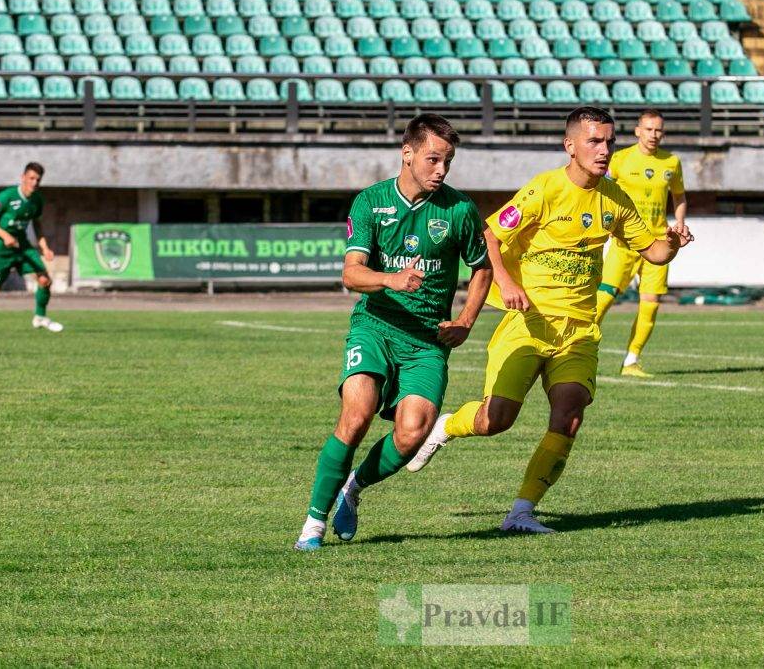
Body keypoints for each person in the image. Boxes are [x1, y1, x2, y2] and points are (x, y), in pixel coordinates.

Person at [406, 107, 693, 534]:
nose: (604, 150)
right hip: (528, 323)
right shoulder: (544, 189)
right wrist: (505, 283)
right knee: (496, 420)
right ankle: (448, 426)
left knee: (569, 414)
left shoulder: (614, 198)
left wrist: (670, 243)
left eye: (609, 141)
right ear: (570, 146)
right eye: (594, 141)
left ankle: (522, 512)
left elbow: (652, 252)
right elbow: (489, 234)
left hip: (579, 331)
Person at [294, 114, 493, 551]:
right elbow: (351, 274)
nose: (441, 170)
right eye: (433, 159)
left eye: (448, 162)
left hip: (427, 341)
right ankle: (312, 525)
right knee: (357, 414)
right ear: (407, 153)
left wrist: (464, 322)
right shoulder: (371, 202)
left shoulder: (459, 209)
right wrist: (389, 279)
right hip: (376, 326)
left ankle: (354, 487)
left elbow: (482, 270)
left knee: (412, 433)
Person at [595, 109, 688, 377]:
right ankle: (578, 350)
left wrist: (679, 222)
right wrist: (608, 222)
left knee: (651, 303)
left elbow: (679, 198)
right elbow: (599, 190)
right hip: (625, 243)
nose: (653, 135)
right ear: (638, 131)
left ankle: (631, 361)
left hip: (658, 245)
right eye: (648, 129)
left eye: (658, 130)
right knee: (602, 300)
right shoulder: (620, 159)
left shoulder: (671, 162)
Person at [0, 162, 63, 335]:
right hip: (2, 249)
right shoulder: (6, 196)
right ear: (23, 177)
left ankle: (40, 317)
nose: (34, 183)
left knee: (44, 280)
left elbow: (37, 224)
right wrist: (5, 236)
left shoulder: (37, 200)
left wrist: (44, 247)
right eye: (31, 178)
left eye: (38, 179)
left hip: (23, 247)